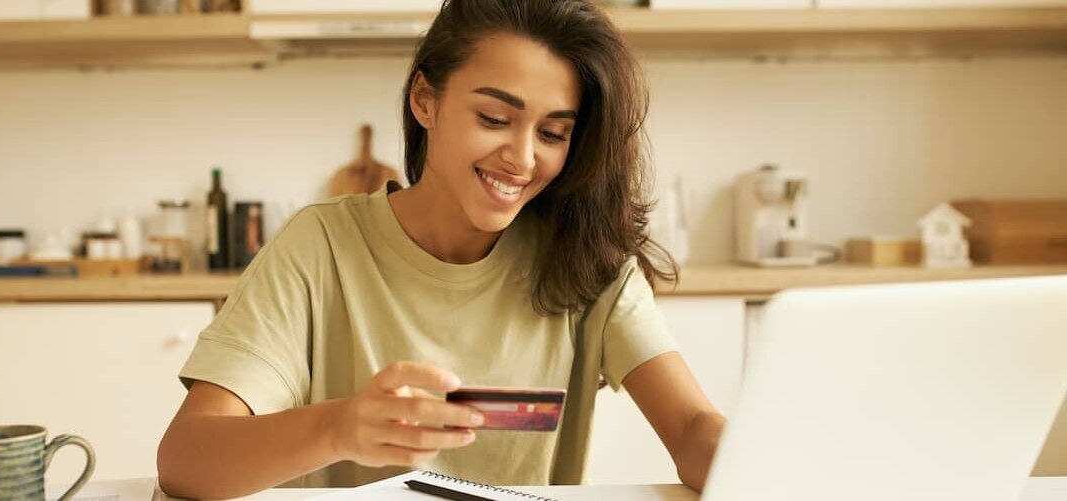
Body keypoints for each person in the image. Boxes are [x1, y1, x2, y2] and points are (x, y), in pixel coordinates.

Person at [156, 0, 725, 498]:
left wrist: (768, 449)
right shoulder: (321, 245)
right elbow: (185, 461)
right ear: (424, 101)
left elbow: (693, 427)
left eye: (552, 134)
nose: (523, 158)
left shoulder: (589, 261)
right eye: (494, 118)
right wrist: (340, 427)